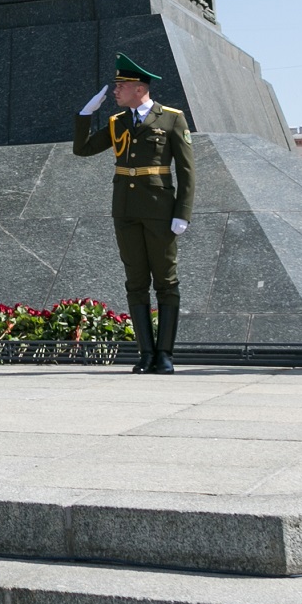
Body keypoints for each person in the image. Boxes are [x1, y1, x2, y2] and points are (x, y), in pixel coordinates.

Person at [71, 53, 195, 374]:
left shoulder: (171, 118)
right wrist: (87, 113)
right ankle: (145, 353)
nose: (115, 91)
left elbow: (187, 170)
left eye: (120, 86)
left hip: (159, 210)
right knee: (135, 282)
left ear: (139, 89)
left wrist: (182, 211)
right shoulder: (117, 122)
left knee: (166, 281)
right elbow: (82, 149)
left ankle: (165, 353)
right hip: (125, 210)